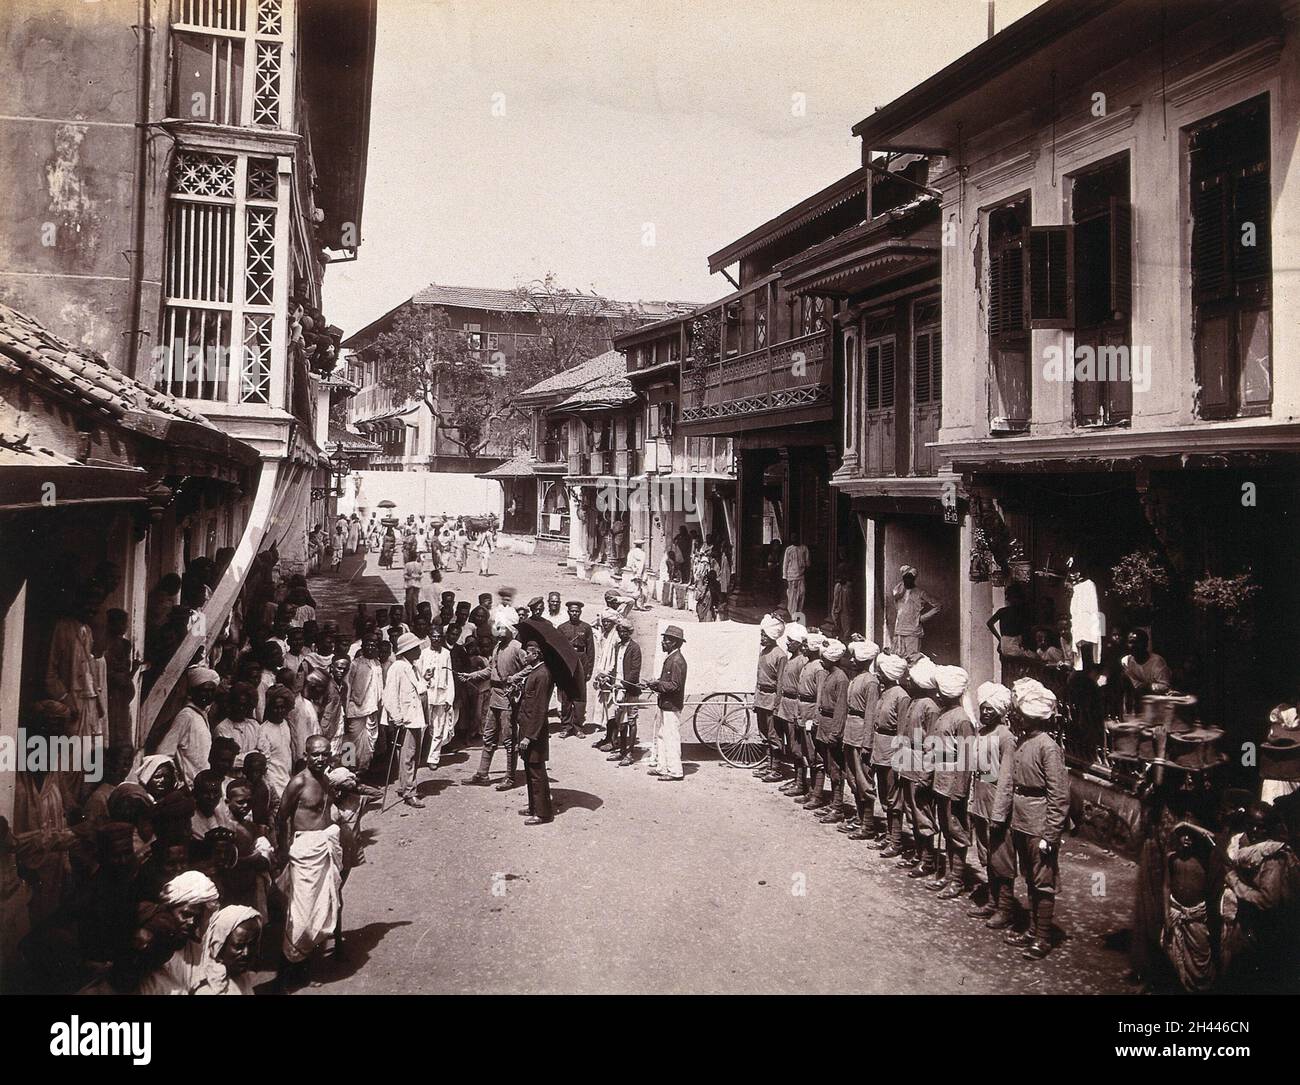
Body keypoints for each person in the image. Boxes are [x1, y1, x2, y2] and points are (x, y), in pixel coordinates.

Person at [1005, 678, 1071, 960]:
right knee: (1030, 878)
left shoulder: (1048, 747)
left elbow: (1059, 795)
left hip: (1039, 822)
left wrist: (1051, 834)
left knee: (1043, 880)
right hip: (1021, 820)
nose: (1019, 719)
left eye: (1023, 715)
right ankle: (1033, 929)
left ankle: (1043, 937)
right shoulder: (1025, 741)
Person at [277, 735, 346, 982]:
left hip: (324, 846)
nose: (320, 759)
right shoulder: (299, 782)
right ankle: (288, 970)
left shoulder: (326, 779)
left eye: (324, 754)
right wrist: (284, 852)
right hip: (305, 852)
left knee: (325, 907)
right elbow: (281, 817)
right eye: (315, 754)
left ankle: (304, 966)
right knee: (301, 912)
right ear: (306, 755)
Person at [1219, 800, 1300, 991]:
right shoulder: (1241, 844)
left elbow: (1267, 901)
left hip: (1263, 928)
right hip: (1242, 923)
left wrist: (1236, 883)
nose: (1255, 830)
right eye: (1251, 825)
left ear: (1269, 829)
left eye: (1261, 827)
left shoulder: (1272, 856)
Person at [968, 682, 1018, 927]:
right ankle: (992, 899)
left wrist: (999, 813)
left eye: (990, 710)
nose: (985, 713)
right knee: (985, 854)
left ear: (1000, 712)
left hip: (996, 801)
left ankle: (1006, 907)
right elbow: (979, 772)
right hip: (980, 799)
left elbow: (1006, 777)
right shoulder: (981, 733)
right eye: (983, 708)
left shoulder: (1006, 738)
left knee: (1001, 857)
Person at [462, 620, 527, 788]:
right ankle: (482, 774)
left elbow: (529, 669)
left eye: (504, 627)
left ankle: (510, 776)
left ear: (511, 629)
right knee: (489, 736)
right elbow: (491, 669)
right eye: (498, 628)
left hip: (508, 698)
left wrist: (515, 680)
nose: (500, 631)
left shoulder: (517, 647)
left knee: (508, 738)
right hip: (494, 696)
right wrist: (471, 675)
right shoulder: (498, 646)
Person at [929, 665, 976, 898]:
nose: (937, 694)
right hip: (941, 780)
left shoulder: (962, 720)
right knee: (947, 828)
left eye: (940, 690)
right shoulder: (945, 714)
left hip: (953, 783)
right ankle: (948, 873)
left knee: (956, 830)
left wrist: (960, 790)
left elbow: (967, 759)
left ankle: (958, 879)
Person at [897, 656, 942, 877]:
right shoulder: (915, 701)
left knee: (922, 812)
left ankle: (928, 859)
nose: (908, 680)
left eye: (912, 679)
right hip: (908, 759)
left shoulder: (930, 707)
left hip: (920, 763)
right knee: (910, 810)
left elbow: (933, 744)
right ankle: (917, 852)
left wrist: (926, 773)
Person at [871, 652, 912, 858]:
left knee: (894, 799)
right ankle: (888, 835)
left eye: (881, 671)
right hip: (880, 748)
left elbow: (902, 730)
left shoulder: (901, 696)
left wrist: (899, 759)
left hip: (892, 751)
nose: (877, 673)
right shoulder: (885, 692)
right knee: (884, 795)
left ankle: (896, 841)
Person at [840, 639, 880, 838]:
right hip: (850, 733)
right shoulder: (855, 678)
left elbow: (871, 714)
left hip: (860, 737)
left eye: (856, 658)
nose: (852, 660)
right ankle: (858, 817)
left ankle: (868, 824)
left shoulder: (871, 682)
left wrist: (867, 743)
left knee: (864, 781)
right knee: (852, 779)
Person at [382, 632, 427, 808]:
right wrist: (397, 717)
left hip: (416, 717)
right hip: (406, 718)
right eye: (415, 648)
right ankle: (409, 791)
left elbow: (421, 688)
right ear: (407, 651)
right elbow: (389, 695)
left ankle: (407, 785)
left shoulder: (413, 667)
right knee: (408, 755)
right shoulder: (397, 667)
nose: (419, 650)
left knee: (413, 754)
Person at [515, 639, 556, 825]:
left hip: (534, 733)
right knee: (529, 769)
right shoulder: (534, 672)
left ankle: (542, 812)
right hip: (526, 727)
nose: (525, 656)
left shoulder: (542, 675)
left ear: (536, 654)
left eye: (528, 653)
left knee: (537, 772)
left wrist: (529, 737)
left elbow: (540, 709)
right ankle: (533, 806)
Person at [156, 667, 218, 789]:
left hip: (201, 785)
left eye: (212, 691)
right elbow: (164, 752)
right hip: (189, 785)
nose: (208, 695)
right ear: (193, 691)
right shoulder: (186, 715)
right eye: (204, 691)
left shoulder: (201, 715)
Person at [811, 639, 849, 820]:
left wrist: (836, 733)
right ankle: (833, 804)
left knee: (835, 769)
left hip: (832, 726)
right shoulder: (828, 674)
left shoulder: (840, 678)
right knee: (827, 765)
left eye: (824, 657)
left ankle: (838, 807)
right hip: (824, 724)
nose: (821, 660)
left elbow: (841, 709)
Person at [645, 626, 688, 781]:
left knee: (671, 738)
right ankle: (663, 767)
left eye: (666, 640)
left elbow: (675, 685)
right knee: (662, 736)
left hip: (672, 705)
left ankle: (675, 771)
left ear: (674, 643)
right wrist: (656, 683)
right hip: (665, 704)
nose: (663, 642)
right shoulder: (671, 657)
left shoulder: (677, 661)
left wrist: (657, 685)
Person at [193, 904, 262, 995]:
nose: (246, 953)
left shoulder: (242, 979)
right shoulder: (207, 989)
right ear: (218, 946)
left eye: (252, 945)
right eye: (238, 946)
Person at [792, 631, 828, 806]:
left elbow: (820, 696)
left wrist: (815, 719)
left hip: (811, 713)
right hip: (802, 711)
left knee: (816, 756)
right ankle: (811, 790)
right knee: (806, 753)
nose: (803, 647)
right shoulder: (807, 664)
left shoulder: (819, 669)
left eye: (806, 645)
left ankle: (817, 795)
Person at [753, 615, 788, 783]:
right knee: (764, 734)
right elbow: (758, 677)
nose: (762, 638)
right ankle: (768, 765)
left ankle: (776, 769)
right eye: (761, 634)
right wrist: (756, 699)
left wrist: (777, 704)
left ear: (772, 636)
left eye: (764, 635)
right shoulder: (764, 652)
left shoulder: (780, 655)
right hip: (761, 698)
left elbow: (781, 683)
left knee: (774, 735)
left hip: (772, 699)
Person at [775, 625, 809, 796]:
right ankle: (797, 780)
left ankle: (801, 783)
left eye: (791, 641)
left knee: (797, 748)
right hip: (786, 705)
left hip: (794, 706)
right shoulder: (791, 659)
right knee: (791, 747)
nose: (787, 644)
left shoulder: (802, 661)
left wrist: (798, 712)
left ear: (799, 644)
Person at [607, 617, 643, 767]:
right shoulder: (618, 646)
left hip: (630, 689)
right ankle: (622, 749)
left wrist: (623, 685)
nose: (622, 634)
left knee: (631, 721)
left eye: (625, 631)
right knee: (619, 721)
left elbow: (634, 672)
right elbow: (616, 666)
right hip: (618, 688)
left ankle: (629, 753)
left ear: (630, 632)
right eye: (620, 631)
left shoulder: (635, 648)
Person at [345, 633, 382, 773]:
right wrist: (346, 707)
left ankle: (362, 770)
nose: (371, 648)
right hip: (356, 709)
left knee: (369, 742)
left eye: (374, 645)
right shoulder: (355, 664)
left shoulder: (377, 663)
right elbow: (348, 686)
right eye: (368, 645)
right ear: (363, 647)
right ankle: (348, 769)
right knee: (351, 741)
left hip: (372, 709)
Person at [420, 627, 456, 770]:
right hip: (426, 694)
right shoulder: (423, 653)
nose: (436, 639)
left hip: (441, 695)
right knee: (422, 727)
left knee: (439, 728)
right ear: (429, 637)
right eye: (434, 636)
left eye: (439, 636)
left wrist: (449, 698)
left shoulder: (446, 654)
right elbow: (418, 674)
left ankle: (433, 758)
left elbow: (449, 677)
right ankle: (416, 757)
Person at [558, 601, 594, 738]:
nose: (575, 613)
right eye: (572, 611)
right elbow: (557, 649)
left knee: (579, 696)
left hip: (581, 661)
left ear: (580, 612)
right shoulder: (562, 628)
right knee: (566, 696)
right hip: (566, 661)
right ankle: (566, 726)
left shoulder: (586, 628)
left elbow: (590, 650)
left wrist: (589, 669)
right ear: (568, 612)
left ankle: (578, 726)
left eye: (577, 611)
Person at [254, 684, 296, 799]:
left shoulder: (285, 724)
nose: (279, 711)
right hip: (274, 783)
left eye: (282, 707)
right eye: (276, 708)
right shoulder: (264, 730)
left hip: (287, 778)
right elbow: (265, 762)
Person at [891, 565, 941, 658]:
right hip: (899, 630)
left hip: (913, 632)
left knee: (912, 659)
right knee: (897, 658)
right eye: (905, 578)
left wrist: (922, 618)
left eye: (910, 578)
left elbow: (938, 606)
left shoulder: (920, 592)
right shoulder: (899, 592)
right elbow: (897, 604)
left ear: (914, 579)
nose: (907, 580)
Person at [591, 609, 621, 751]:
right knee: (606, 709)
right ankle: (608, 737)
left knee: (613, 709)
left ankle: (614, 740)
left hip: (612, 677)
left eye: (609, 622)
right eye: (604, 622)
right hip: (603, 675)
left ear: (614, 622)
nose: (606, 624)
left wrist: (607, 674)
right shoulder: (604, 635)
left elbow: (615, 660)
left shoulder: (616, 638)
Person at [1120, 629, 1173, 699]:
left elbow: (1165, 687)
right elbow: (1134, 686)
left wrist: (1148, 687)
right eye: (1130, 642)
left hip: (1157, 700)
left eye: (1137, 642)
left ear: (1146, 644)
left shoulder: (1157, 661)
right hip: (1137, 700)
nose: (1133, 646)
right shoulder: (1126, 661)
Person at [782, 533, 811, 620]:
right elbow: (785, 563)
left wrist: (805, 566)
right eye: (793, 538)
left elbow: (807, 562)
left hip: (801, 576)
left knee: (801, 594)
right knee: (792, 597)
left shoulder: (804, 548)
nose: (794, 539)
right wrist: (785, 576)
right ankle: (793, 616)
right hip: (791, 577)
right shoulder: (789, 549)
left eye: (796, 537)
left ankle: (798, 613)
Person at [624, 537, 650, 610]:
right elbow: (642, 565)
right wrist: (639, 574)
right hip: (640, 573)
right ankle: (641, 605)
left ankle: (635, 605)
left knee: (634, 589)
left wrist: (633, 569)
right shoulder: (642, 553)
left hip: (633, 572)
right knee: (642, 589)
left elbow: (628, 564)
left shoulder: (631, 552)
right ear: (641, 545)